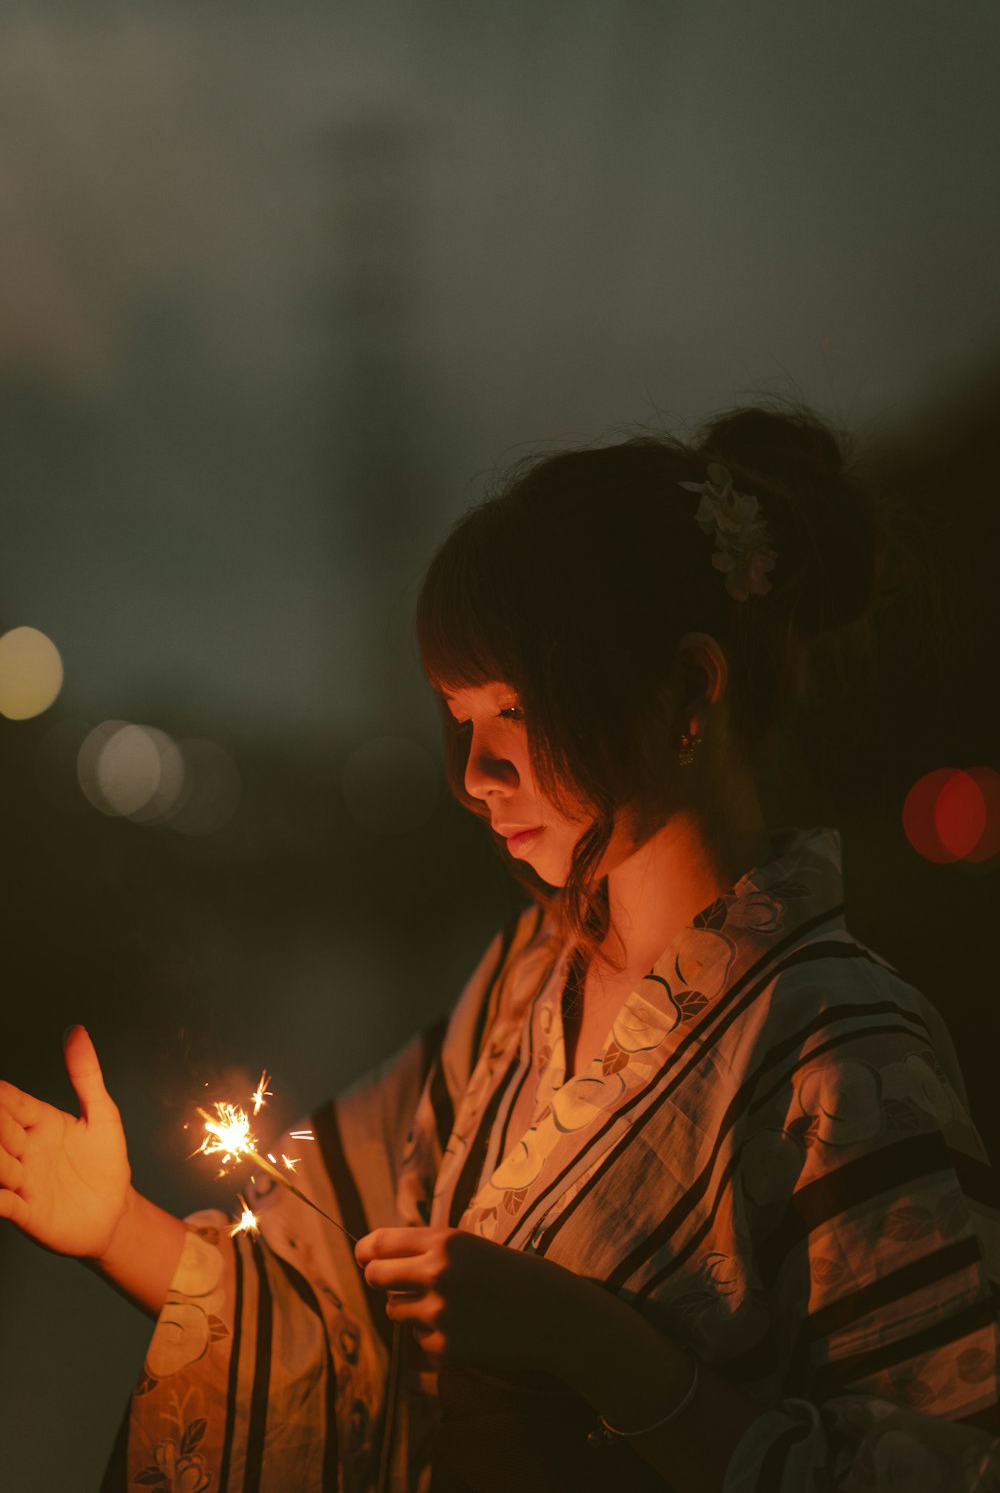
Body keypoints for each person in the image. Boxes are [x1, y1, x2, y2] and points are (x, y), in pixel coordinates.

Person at [1, 402, 998, 1493]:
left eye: (516, 709)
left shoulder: (842, 1053)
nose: (475, 771)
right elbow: (333, 1307)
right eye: (456, 714)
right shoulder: (528, 985)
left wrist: (598, 1348)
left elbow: (944, 1465)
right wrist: (113, 1225)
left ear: (688, 691)